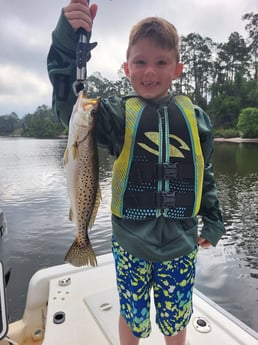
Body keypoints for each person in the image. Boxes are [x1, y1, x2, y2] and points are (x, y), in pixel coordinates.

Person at [47, 1, 225, 344]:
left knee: (176, 320)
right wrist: (68, 41)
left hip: (180, 243)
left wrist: (214, 220)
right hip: (131, 243)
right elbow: (66, 105)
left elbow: (206, 174)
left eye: (161, 63)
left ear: (178, 69)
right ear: (126, 67)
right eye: (140, 62)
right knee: (132, 316)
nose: (149, 72)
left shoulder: (197, 119)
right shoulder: (113, 115)